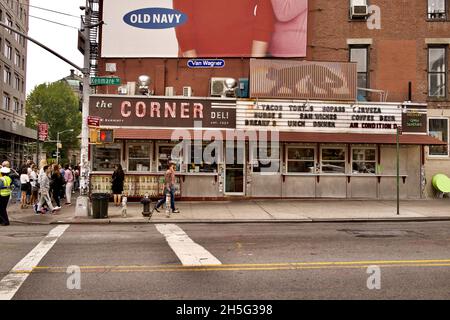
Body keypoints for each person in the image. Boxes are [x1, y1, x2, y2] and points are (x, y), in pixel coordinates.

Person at [173, 0, 275, 57]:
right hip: (196, 56)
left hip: (244, 57)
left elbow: (264, 15)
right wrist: (194, 66)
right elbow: (182, 17)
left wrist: (254, 64)